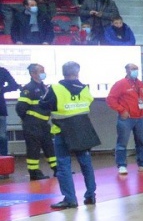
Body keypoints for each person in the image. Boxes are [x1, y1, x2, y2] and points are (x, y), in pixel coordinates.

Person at [41, 60, 100, 210]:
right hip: (83, 130)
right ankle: (90, 195)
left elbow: (44, 105)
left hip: (63, 131)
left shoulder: (55, 88)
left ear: (63, 73)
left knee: (63, 166)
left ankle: (70, 199)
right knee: (86, 164)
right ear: (77, 72)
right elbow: (88, 102)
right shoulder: (85, 88)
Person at [107, 63, 143, 176]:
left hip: (140, 118)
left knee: (141, 142)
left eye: (137, 69)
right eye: (133, 69)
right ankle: (122, 165)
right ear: (127, 70)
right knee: (122, 143)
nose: (135, 71)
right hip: (126, 118)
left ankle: (142, 164)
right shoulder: (120, 84)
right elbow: (110, 99)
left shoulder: (141, 84)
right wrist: (121, 110)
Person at [16, 63, 55, 181]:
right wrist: (28, 120)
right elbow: (20, 108)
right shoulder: (29, 88)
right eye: (41, 71)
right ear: (33, 73)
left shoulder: (44, 87)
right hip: (32, 124)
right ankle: (34, 172)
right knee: (34, 149)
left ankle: (57, 169)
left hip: (43, 124)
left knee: (49, 146)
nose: (43, 74)